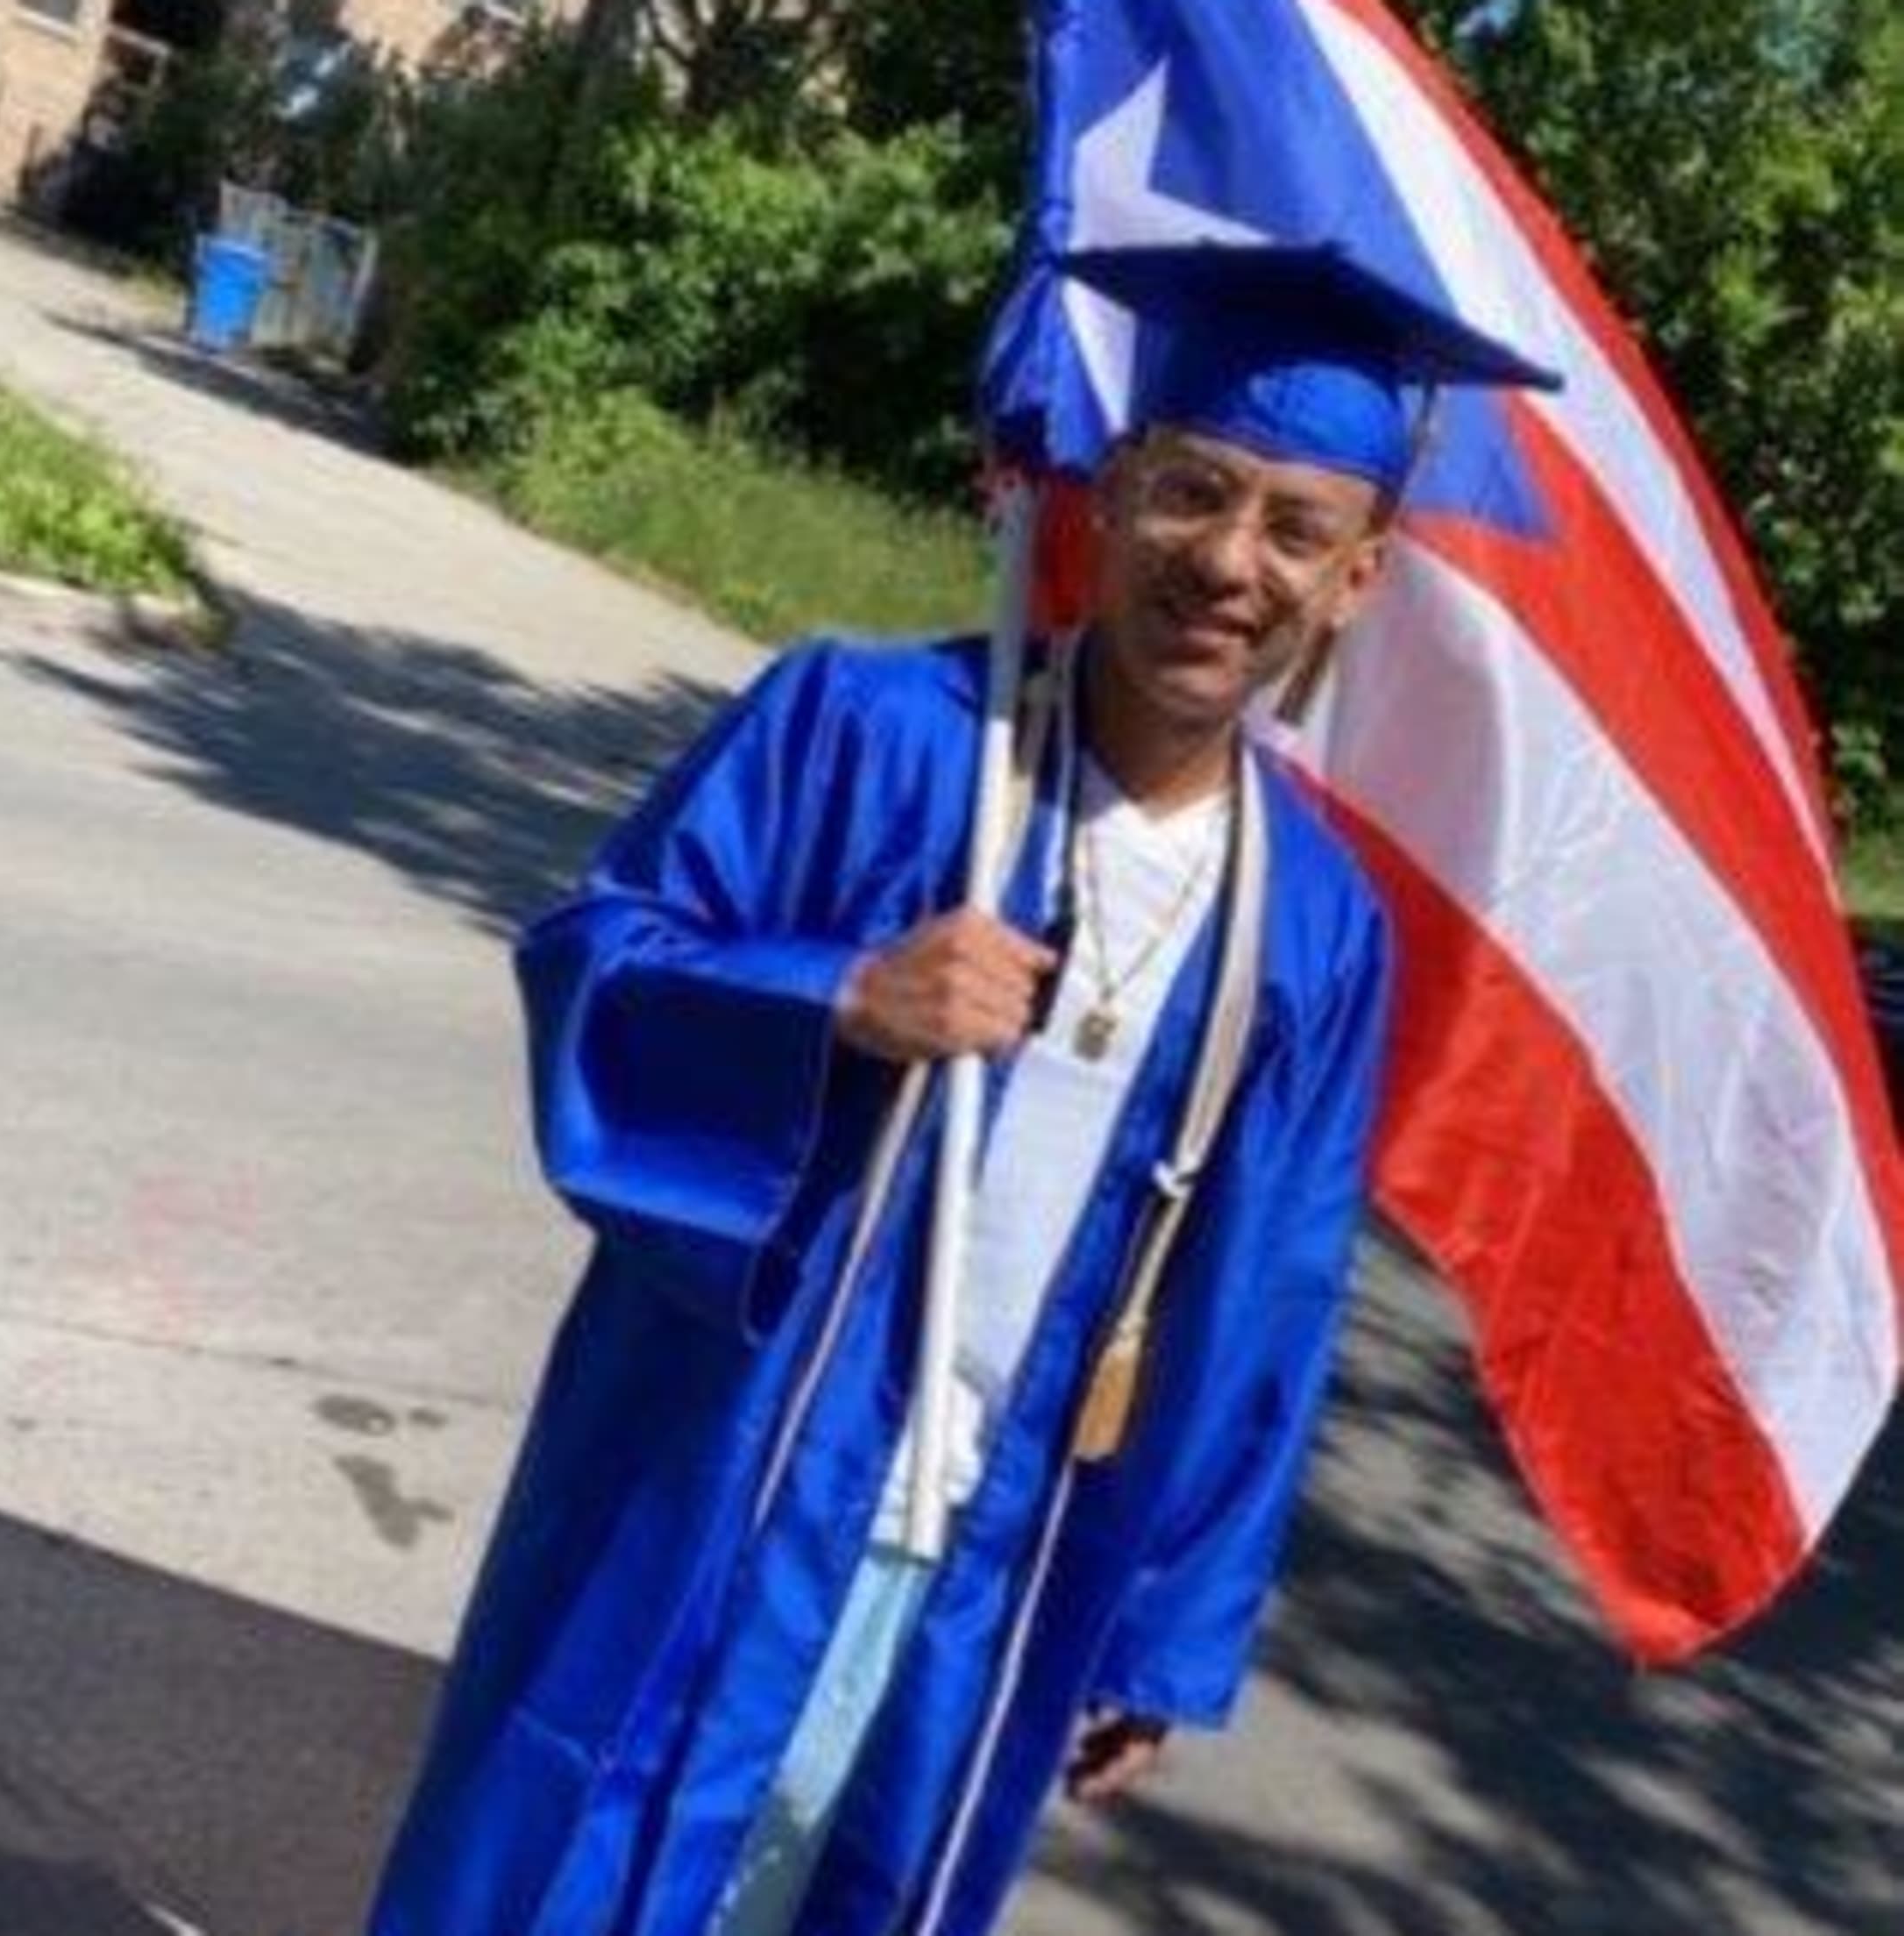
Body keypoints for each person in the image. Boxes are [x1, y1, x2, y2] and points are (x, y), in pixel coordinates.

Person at [368, 245, 1553, 1936]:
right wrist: (836, 1000)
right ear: (1112, 491)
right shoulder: (869, 727)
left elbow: (1273, 1290)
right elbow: (596, 961)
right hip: (723, 1475)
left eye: (1297, 528)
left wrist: (1168, 1621)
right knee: (576, 1867)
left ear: (1359, 579)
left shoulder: (1315, 926)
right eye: (1193, 491)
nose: (1231, 562)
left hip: (993, 1559)